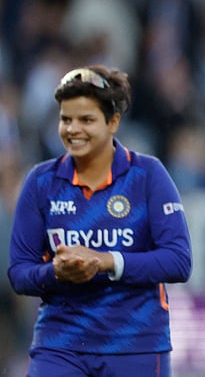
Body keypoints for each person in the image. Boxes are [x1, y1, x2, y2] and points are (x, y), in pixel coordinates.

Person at [7, 65, 192, 376]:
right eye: (66, 119)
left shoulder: (148, 176)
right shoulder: (41, 181)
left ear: (113, 122)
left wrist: (107, 261)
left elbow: (178, 261)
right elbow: (19, 271)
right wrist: (57, 272)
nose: (73, 129)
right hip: (61, 346)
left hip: (135, 345)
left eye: (86, 120)